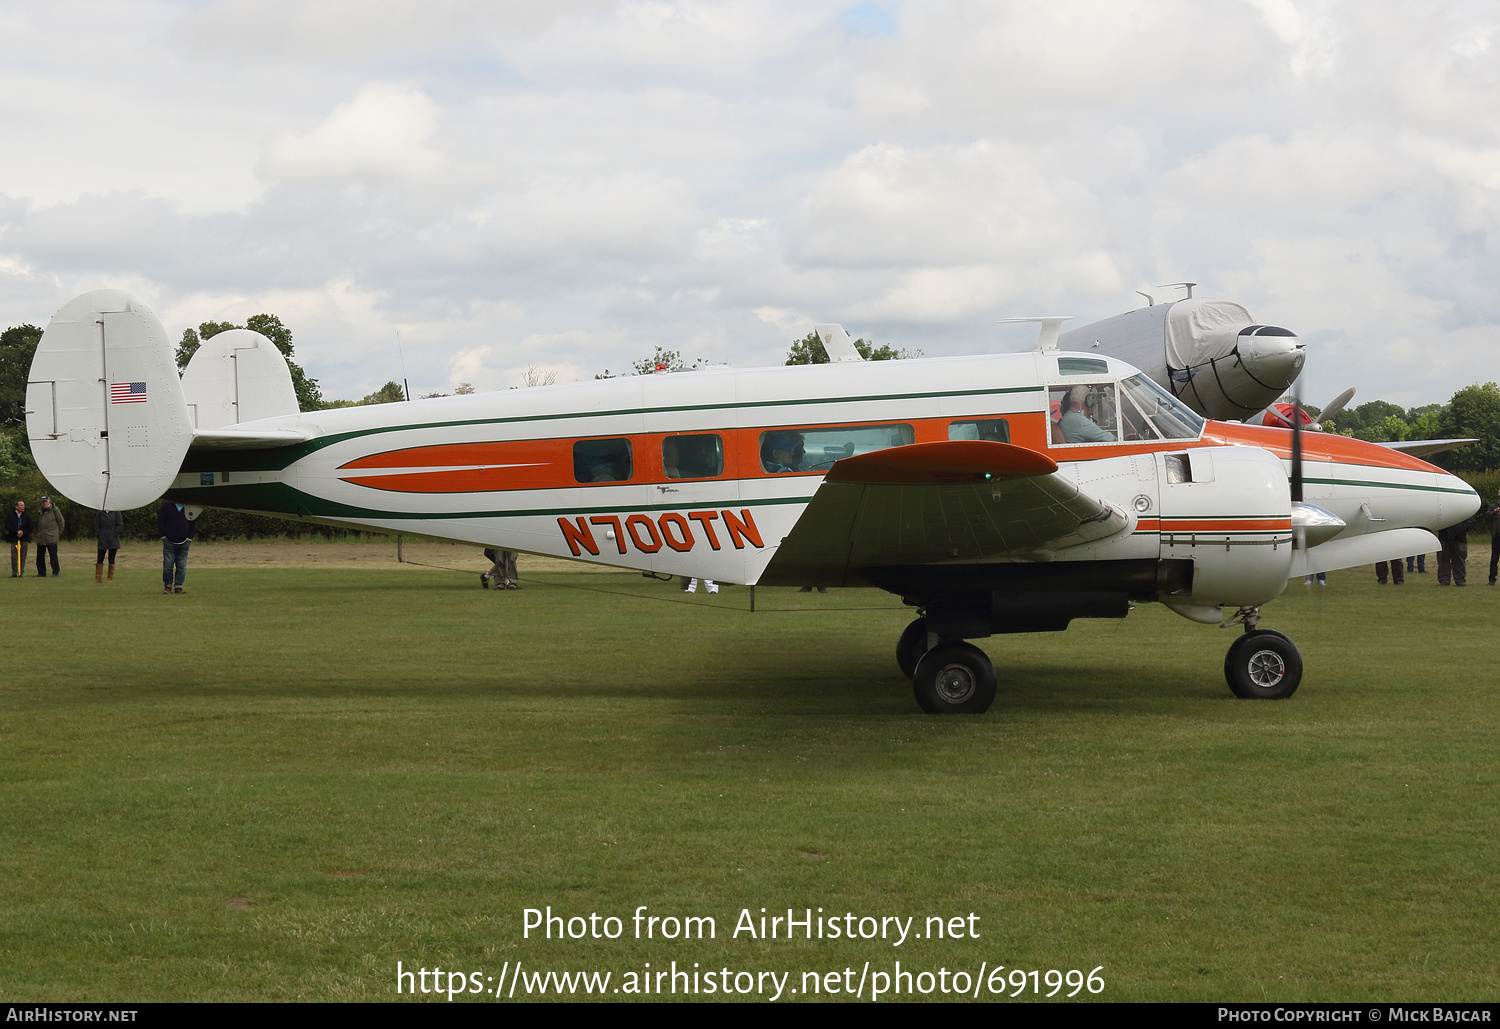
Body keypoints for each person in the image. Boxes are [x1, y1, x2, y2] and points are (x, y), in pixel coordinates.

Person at [158, 500, 196, 594]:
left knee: (181, 566)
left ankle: (178, 586)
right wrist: (163, 535)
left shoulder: (188, 507)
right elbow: (161, 521)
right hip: (169, 542)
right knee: (168, 566)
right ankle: (167, 587)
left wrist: (190, 537)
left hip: (184, 542)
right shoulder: (167, 506)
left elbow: (193, 522)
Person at [1436, 513, 1477, 587]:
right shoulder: (1442, 508)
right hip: (1444, 538)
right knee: (1443, 560)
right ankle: (1444, 580)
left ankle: (1460, 580)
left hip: (1459, 538)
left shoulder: (1464, 508)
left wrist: (1459, 530)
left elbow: (1470, 521)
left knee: (1460, 560)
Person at [33, 495, 65, 577]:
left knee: (53, 556)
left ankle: (55, 572)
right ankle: (41, 572)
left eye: (45, 501)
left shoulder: (55, 509)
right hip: (41, 537)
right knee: (40, 556)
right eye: (42, 501)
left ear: (49, 501)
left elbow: (61, 522)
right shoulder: (40, 510)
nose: (44, 503)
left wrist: (57, 533)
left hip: (52, 537)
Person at [95, 508, 124, 583]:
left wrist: (114, 534)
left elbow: (120, 525)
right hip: (102, 539)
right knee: (100, 559)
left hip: (113, 540)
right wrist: (99, 535)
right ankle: (98, 578)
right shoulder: (99, 513)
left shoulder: (117, 512)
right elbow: (96, 525)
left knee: (111, 559)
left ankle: (109, 578)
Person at [6, 500, 30, 578]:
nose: (23, 507)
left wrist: (23, 532)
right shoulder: (11, 515)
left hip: (24, 539)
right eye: (21, 505)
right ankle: (14, 573)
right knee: (14, 557)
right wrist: (16, 531)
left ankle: (21, 572)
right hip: (14, 539)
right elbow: (7, 526)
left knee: (23, 557)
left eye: (23, 505)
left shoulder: (26, 516)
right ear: (16, 507)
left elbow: (30, 527)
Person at [1485, 499, 1500, 586]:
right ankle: (1492, 579)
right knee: (1494, 559)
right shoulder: (1493, 506)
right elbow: (1486, 519)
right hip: (1496, 537)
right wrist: (1494, 513)